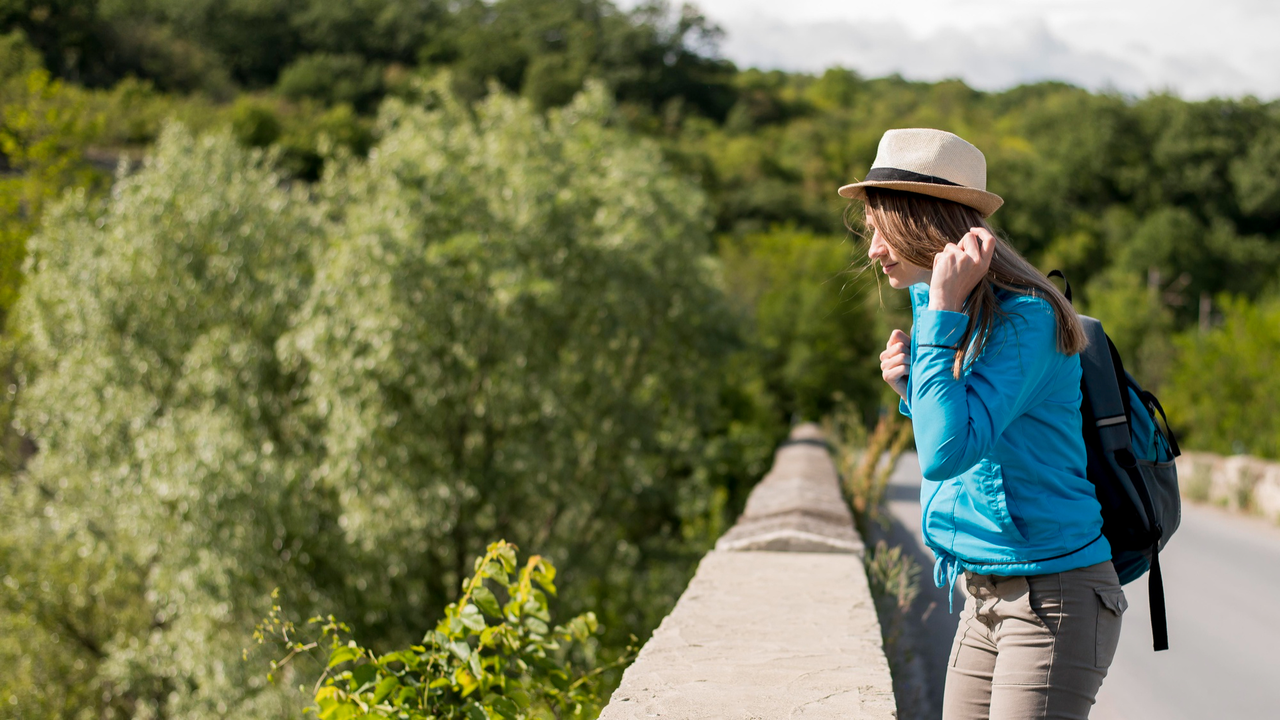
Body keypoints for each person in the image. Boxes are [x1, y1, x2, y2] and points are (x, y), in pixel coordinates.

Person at [838, 128, 1127, 720]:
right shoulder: (941, 305)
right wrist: (914, 390)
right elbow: (970, 436)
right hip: (982, 594)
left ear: (923, 223)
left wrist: (940, 318)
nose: (873, 250)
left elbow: (946, 453)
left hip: (1053, 597)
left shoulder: (1027, 320)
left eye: (882, 229)